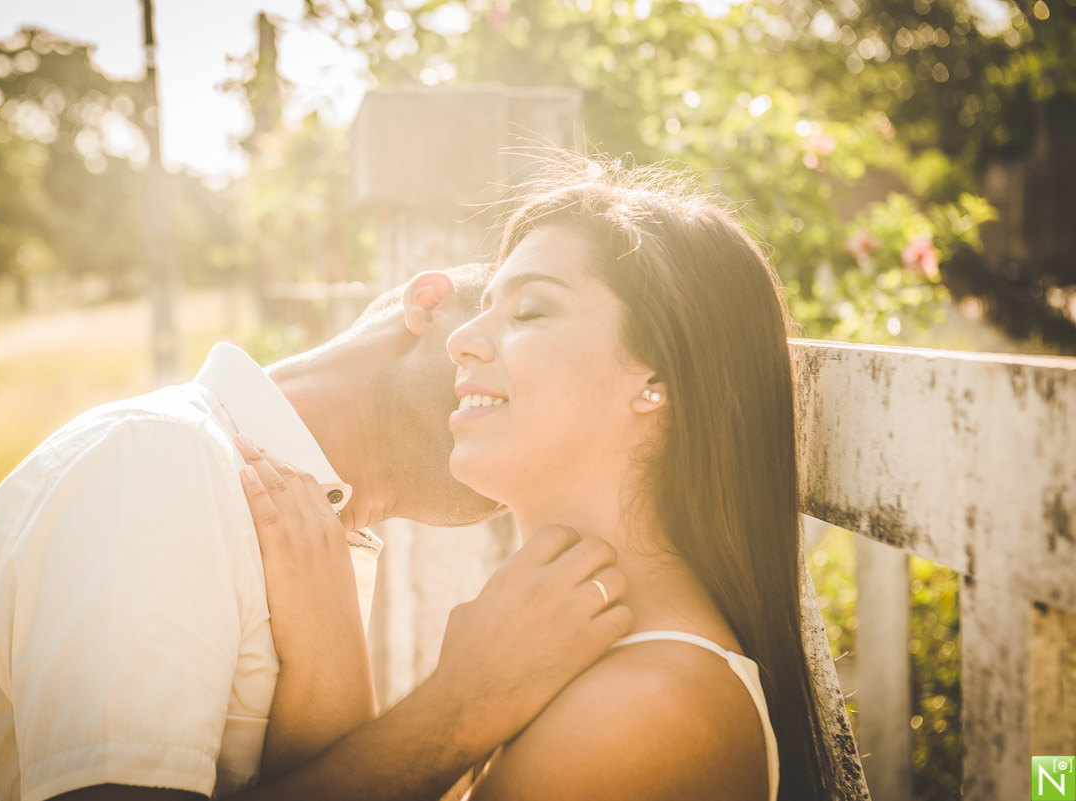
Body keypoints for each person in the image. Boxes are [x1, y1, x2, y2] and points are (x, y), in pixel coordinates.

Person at [0, 263, 633, 801]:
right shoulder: (165, 458)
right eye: (522, 320)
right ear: (429, 304)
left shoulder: (313, 542)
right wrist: (463, 706)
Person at [240, 157, 843, 801]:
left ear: (656, 380)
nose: (462, 339)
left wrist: (454, 705)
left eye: (528, 311)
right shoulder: (562, 656)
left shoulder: (644, 711)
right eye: (485, 307)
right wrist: (328, 637)